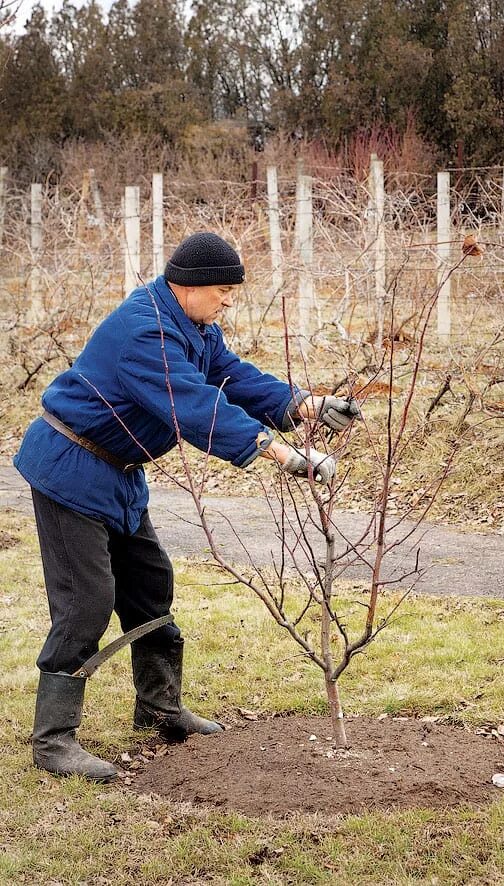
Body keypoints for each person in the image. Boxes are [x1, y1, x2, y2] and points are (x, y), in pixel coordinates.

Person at [14, 232, 360, 783]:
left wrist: (304, 405)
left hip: (118, 474)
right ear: (189, 286)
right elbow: (195, 407)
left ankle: (159, 710)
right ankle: (54, 740)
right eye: (223, 290)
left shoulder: (191, 326)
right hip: (71, 469)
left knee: (150, 583)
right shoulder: (144, 332)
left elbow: (230, 376)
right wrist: (276, 450)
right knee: (87, 602)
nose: (229, 300)